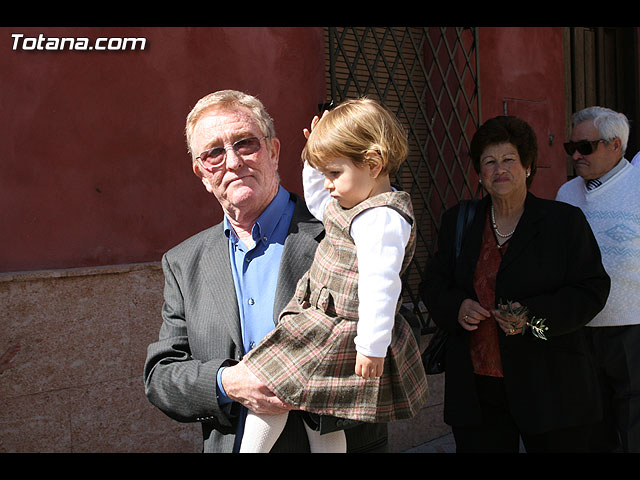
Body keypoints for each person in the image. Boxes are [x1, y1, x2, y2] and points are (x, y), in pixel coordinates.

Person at [143, 90, 388, 453]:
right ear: (201, 172)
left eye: (245, 144)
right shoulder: (183, 262)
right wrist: (229, 383)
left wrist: (310, 381)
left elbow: (397, 337)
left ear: (273, 151)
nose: (232, 162)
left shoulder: (344, 232)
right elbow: (162, 376)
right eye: (213, 152)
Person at [238, 98, 429, 452]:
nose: (327, 184)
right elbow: (318, 202)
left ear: (373, 163)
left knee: (271, 387)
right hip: (320, 318)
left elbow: (380, 286)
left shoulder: (382, 218)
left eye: (334, 173)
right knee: (317, 415)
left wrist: (372, 347)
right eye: (325, 173)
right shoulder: (350, 204)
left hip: (339, 331)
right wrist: (314, 160)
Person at [421, 115, 610, 452]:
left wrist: (532, 318)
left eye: (509, 159)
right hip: (477, 390)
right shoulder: (460, 221)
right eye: (489, 162)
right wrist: (457, 306)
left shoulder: (563, 223)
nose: (499, 169)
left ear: (527, 166)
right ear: (479, 174)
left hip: (552, 386)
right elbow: (434, 283)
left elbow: (591, 289)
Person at [556, 106, 640, 452]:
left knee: (634, 419)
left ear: (615, 145)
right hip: (581, 326)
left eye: (585, 147)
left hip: (632, 325)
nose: (576, 155)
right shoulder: (567, 194)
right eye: (570, 147)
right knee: (591, 421)